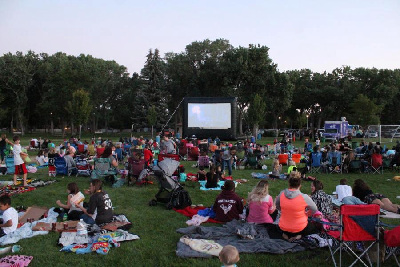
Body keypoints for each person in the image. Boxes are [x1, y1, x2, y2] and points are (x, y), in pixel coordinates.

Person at [276, 171, 318, 241]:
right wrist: (307, 214)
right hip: (299, 228)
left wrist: (285, 210)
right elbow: (314, 209)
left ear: (289, 184)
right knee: (314, 227)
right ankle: (299, 236)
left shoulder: (281, 194)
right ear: (300, 185)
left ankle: (286, 234)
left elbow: (277, 206)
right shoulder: (304, 197)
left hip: (283, 226)